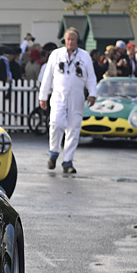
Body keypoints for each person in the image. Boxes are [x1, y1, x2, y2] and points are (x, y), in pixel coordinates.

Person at [39, 27, 97, 174]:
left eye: (73, 39)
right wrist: (43, 96)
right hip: (58, 95)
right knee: (56, 123)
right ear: (64, 40)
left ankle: (68, 161)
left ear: (78, 41)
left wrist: (92, 93)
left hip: (76, 96)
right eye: (68, 39)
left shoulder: (84, 56)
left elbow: (91, 76)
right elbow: (47, 77)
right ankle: (53, 153)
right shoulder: (56, 54)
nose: (70, 42)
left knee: (74, 128)